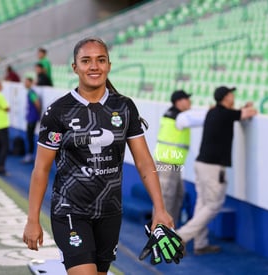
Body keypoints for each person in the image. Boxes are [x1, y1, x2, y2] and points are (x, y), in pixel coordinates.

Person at [23, 37, 173, 275]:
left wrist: (160, 208)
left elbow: (144, 161)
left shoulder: (125, 107)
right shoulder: (58, 111)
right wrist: (33, 219)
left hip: (110, 212)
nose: (94, 66)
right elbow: (40, 169)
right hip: (70, 210)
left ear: (109, 65)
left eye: (100, 60)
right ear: (75, 68)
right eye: (86, 61)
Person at [176, 86, 257, 255]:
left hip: (201, 164)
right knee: (213, 205)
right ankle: (180, 236)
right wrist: (248, 107)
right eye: (231, 94)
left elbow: (236, 113)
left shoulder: (213, 112)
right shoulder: (226, 114)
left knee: (202, 204)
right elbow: (250, 112)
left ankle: (200, 243)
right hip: (213, 167)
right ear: (226, 98)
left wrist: (242, 109)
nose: (233, 96)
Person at [154, 90, 206, 226]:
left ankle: (170, 230)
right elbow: (197, 119)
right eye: (187, 99)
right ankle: (161, 233)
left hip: (172, 164)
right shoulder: (179, 117)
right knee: (167, 199)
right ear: (179, 102)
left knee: (177, 196)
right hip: (168, 164)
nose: (190, 102)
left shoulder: (174, 115)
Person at [21, 77, 41, 164]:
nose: (25, 84)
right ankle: (29, 155)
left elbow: (37, 103)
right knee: (30, 136)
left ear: (30, 83)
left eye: (26, 82)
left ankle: (29, 156)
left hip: (32, 118)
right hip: (31, 117)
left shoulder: (31, 93)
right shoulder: (30, 92)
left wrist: (38, 114)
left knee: (30, 137)